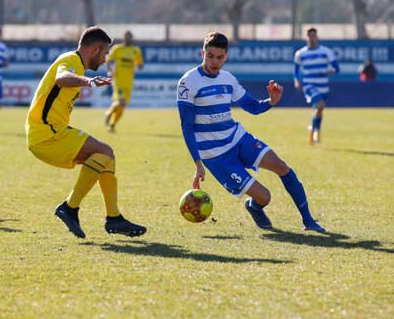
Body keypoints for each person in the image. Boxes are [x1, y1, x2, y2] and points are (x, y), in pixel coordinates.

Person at [177, 32, 325, 232]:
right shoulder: (188, 83)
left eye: (220, 57)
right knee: (265, 197)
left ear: (225, 57)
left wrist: (271, 102)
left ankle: (309, 221)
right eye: (210, 56)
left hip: (238, 138)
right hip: (216, 155)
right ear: (202, 53)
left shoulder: (227, 79)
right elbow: (186, 126)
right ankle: (255, 206)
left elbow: (253, 107)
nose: (214, 61)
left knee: (282, 166)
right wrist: (198, 163)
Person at [25, 26, 146, 238]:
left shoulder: (77, 66)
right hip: (47, 133)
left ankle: (114, 218)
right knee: (105, 151)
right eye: (105, 53)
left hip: (51, 133)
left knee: (106, 158)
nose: (105, 59)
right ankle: (71, 208)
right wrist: (88, 81)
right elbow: (61, 78)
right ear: (95, 49)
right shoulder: (71, 61)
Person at [293, 27, 339, 145]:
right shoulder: (300, 53)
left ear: (317, 37)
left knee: (319, 109)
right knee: (320, 105)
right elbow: (297, 70)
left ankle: (314, 130)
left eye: (313, 36)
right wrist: (297, 81)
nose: (312, 38)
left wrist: (333, 71)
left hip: (323, 86)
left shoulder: (326, 52)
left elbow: (337, 68)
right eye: (309, 36)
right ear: (306, 38)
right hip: (309, 85)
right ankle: (315, 131)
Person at [103, 30, 143, 132]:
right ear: (123, 38)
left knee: (123, 106)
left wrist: (139, 65)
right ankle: (109, 112)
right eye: (126, 36)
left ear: (132, 39)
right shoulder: (117, 49)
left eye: (130, 37)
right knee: (121, 101)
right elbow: (107, 60)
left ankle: (112, 125)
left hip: (129, 82)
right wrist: (109, 71)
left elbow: (140, 65)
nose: (128, 38)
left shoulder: (136, 50)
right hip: (118, 79)